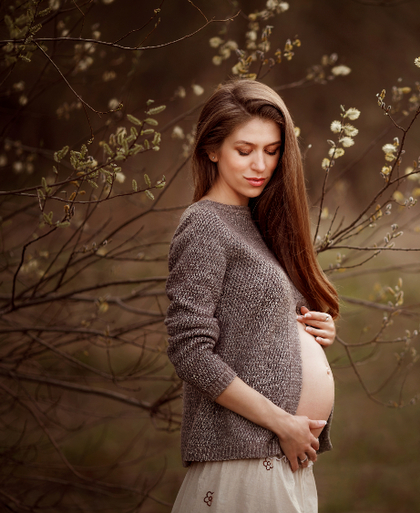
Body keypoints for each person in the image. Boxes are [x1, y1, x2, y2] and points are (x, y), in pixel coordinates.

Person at [164, 79, 339, 512]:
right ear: (212, 149)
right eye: (245, 150)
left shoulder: (255, 224)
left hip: (280, 451)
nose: (260, 164)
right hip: (245, 452)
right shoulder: (205, 225)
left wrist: (316, 331)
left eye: (272, 150)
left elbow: (257, 326)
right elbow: (190, 352)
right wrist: (282, 422)